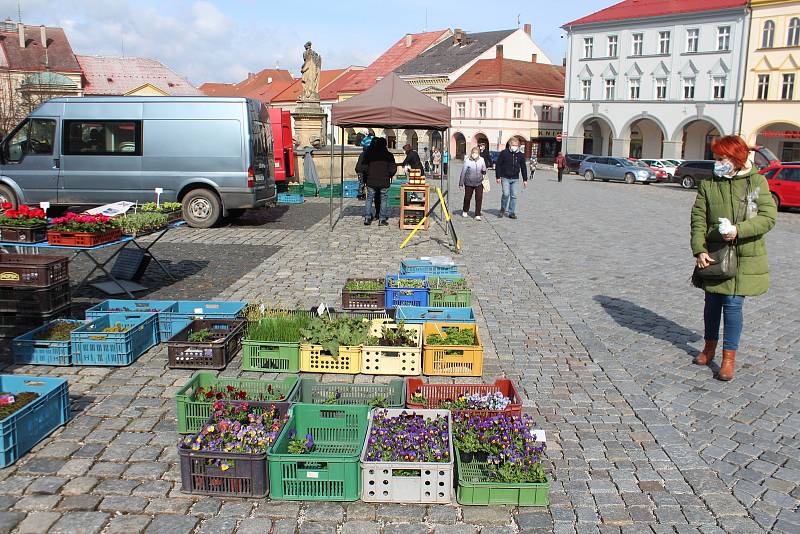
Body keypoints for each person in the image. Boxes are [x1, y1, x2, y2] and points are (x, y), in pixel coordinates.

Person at [690, 135, 776, 381]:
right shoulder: (709, 185)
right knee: (711, 305)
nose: (717, 163)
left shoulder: (757, 182)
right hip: (715, 255)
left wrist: (739, 230)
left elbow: (768, 218)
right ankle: (709, 348)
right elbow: (698, 220)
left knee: (732, 305)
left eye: (721, 158)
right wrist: (699, 249)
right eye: (715, 158)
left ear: (737, 159)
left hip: (745, 257)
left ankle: (728, 359)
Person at [361, 137, 396, 226]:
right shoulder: (389, 155)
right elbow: (393, 169)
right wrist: (388, 174)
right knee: (383, 199)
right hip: (384, 180)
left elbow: (364, 168)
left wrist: (369, 173)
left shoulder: (369, 154)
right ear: (385, 145)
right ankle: (382, 219)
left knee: (369, 199)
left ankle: (367, 218)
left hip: (371, 180)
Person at [494, 138, 528, 219]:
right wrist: (498, 176)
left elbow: (523, 167)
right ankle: (502, 209)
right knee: (506, 194)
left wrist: (525, 179)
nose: (514, 147)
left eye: (516, 145)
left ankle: (511, 212)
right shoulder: (504, 153)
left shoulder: (520, 155)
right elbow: (498, 164)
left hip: (515, 178)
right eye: (513, 145)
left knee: (514, 195)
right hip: (505, 177)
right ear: (510, 145)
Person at [459, 147, 487, 220]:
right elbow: (463, 172)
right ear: (471, 153)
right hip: (469, 182)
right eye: (473, 153)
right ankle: (465, 210)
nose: (475, 154)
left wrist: (484, 171)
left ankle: (477, 214)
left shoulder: (482, 160)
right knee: (467, 198)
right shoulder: (467, 160)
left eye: (476, 153)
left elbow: (484, 169)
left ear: (478, 154)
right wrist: (461, 183)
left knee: (479, 198)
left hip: (479, 182)